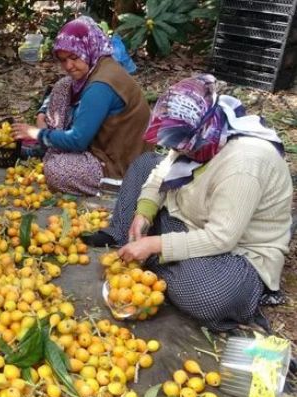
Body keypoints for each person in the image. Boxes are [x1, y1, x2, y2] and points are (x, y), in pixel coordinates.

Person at [86, 74, 293, 331]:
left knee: (206, 296)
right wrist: (144, 212)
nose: (178, 151)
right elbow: (162, 171)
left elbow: (222, 238)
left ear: (205, 134)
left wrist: (155, 243)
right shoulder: (198, 137)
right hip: (189, 216)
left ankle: (157, 262)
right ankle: (134, 241)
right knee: (144, 165)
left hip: (236, 251)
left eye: (182, 147)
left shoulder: (243, 166)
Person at [12, 16, 151, 196]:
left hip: (121, 165)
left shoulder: (100, 87)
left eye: (74, 57)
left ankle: (115, 186)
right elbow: (62, 95)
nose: (69, 66)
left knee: (56, 170)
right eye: (63, 60)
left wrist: (36, 133)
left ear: (87, 49)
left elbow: (78, 140)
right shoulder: (100, 63)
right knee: (63, 85)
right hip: (106, 147)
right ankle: (51, 146)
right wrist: (42, 115)